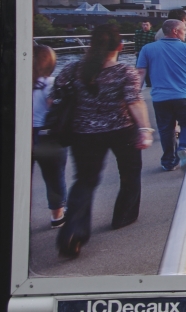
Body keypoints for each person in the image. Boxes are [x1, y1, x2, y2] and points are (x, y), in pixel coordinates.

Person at [55, 25, 153, 258]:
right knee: (129, 174)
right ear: (120, 46)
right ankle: (123, 217)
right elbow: (134, 102)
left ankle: (73, 232)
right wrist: (145, 130)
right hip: (122, 130)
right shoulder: (124, 72)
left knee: (84, 181)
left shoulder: (72, 69)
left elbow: (55, 96)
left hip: (84, 132)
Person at [136, 19, 186, 172]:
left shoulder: (147, 49)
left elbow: (140, 72)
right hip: (185, 94)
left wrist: (135, 94)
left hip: (161, 97)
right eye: (184, 30)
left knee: (166, 129)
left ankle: (169, 161)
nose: (185, 33)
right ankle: (184, 147)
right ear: (175, 31)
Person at [31, 45, 66, 228]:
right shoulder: (52, 83)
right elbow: (57, 107)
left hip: (23, 134)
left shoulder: (18, 82)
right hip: (47, 134)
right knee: (54, 176)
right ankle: (57, 215)